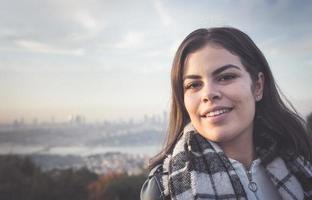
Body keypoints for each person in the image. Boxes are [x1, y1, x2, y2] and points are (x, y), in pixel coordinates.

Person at [140, 27, 312, 200]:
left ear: (258, 86)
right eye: (193, 85)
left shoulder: (301, 162)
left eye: (226, 77)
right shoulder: (162, 189)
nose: (208, 94)